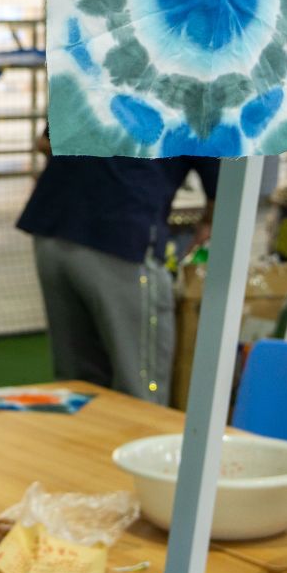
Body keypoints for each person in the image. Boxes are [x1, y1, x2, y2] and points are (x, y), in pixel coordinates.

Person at [16, 143, 218, 405]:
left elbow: (45, 142)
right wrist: (208, 223)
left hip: (54, 225)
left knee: (78, 387)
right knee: (141, 390)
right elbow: (225, 185)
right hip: (123, 234)